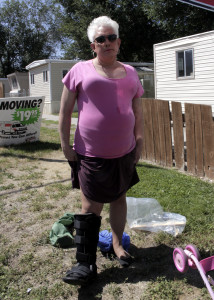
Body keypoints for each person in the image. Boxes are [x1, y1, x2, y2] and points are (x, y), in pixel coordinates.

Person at [59, 15, 144, 285]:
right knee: (90, 205)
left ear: (118, 43)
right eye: (100, 39)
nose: (106, 43)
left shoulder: (131, 73)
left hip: (124, 151)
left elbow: (137, 110)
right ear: (93, 45)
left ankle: (118, 245)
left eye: (111, 38)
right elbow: (64, 112)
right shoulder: (80, 70)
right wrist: (64, 144)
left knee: (119, 199)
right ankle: (86, 263)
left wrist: (139, 141)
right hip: (90, 152)